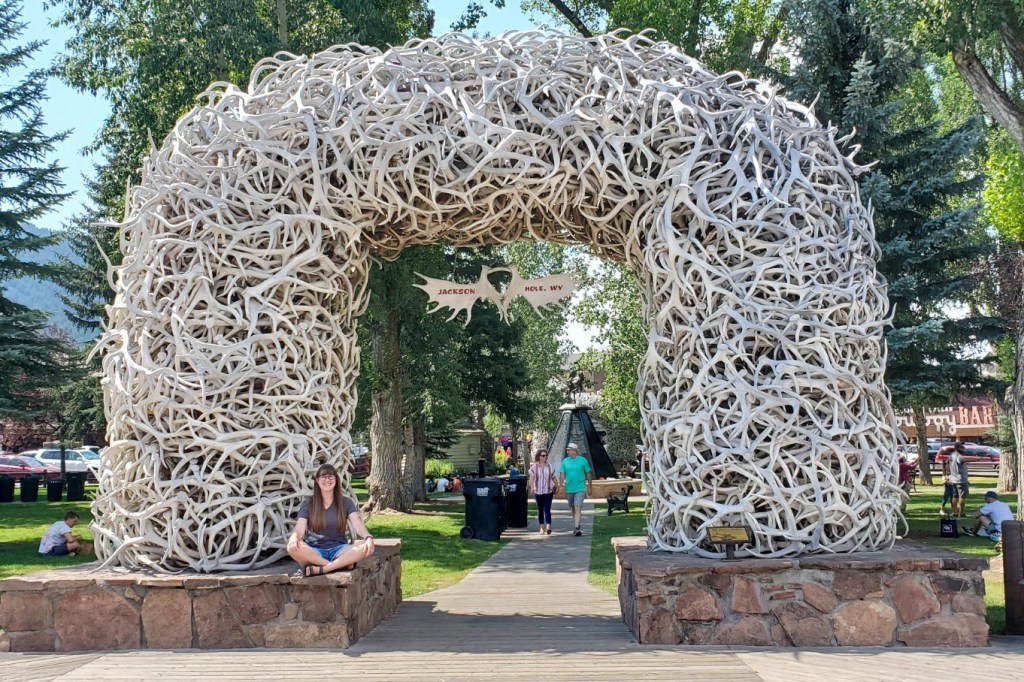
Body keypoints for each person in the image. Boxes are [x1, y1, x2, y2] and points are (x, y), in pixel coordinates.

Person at [287, 463, 375, 578]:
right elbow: (299, 529)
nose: (327, 480)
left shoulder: (346, 502)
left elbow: (357, 524)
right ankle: (338, 565)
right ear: (317, 481)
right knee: (291, 548)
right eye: (323, 477)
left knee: (364, 547)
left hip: (339, 549)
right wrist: (294, 538)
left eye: (330, 476)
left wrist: (368, 538)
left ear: (336, 480)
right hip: (314, 550)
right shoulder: (308, 503)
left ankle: (322, 569)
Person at [559, 442, 592, 536]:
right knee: (573, 508)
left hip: (580, 487)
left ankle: (577, 527)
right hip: (569, 488)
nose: (567, 452)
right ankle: (576, 524)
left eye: (569, 450)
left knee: (577, 506)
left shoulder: (582, 460)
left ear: (574, 451)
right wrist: (561, 486)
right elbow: (562, 474)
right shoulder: (565, 461)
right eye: (567, 450)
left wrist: (590, 486)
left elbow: (588, 473)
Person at [528, 449, 558, 535]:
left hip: (548, 490)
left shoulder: (550, 466)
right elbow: (531, 478)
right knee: (540, 509)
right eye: (543, 455)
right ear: (539, 457)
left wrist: (557, 485)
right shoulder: (534, 467)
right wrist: (532, 487)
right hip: (538, 491)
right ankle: (541, 527)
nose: (545, 457)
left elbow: (553, 477)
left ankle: (548, 526)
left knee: (547, 509)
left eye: (546, 456)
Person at [945, 442, 969, 518]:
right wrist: (977, 459)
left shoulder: (951, 455)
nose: (963, 449)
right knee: (962, 496)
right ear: (957, 448)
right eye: (962, 447)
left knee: (954, 496)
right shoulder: (959, 456)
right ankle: (961, 513)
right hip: (961, 479)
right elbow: (961, 461)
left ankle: (954, 512)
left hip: (953, 479)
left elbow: (946, 464)